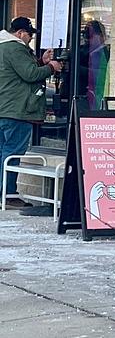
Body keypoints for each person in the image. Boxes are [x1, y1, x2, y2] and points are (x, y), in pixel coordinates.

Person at [0, 17, 63, 209]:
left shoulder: (3, 47)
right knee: (13, 153)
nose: (30, 39)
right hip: (17, 111)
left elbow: (18, 71)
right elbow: (30, 75)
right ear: (20, 33)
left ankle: (2, 193)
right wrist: (51, 67)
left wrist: (40, 61)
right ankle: (8, 194)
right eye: (29, 35)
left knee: (4, 152)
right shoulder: (15, 47)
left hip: (5, 109)